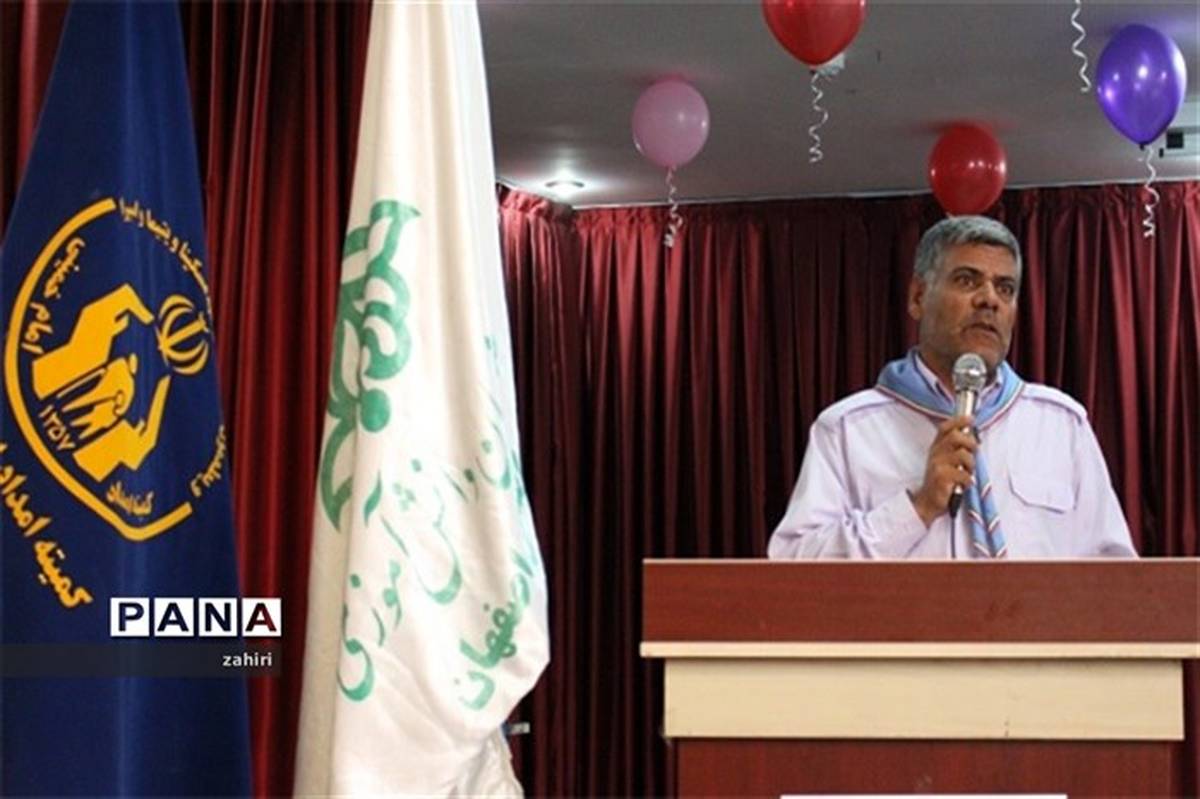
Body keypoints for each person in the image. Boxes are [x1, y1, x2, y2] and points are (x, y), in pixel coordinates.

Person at [768, 216, 1136, 560]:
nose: (989, 299)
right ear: (917, 297)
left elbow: (1114, 572)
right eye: (967, 280)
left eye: (1005, 288)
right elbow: (794, 564)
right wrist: (918, 507)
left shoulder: (1062, 426)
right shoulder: (848, 429)